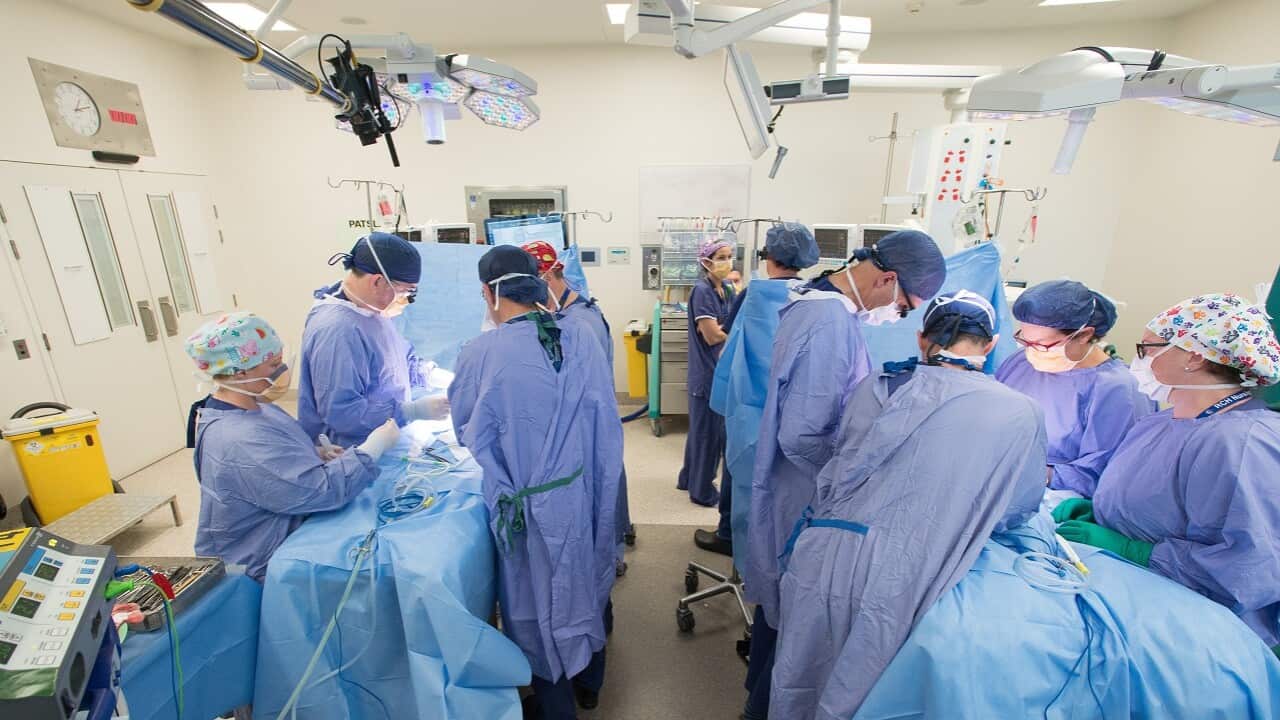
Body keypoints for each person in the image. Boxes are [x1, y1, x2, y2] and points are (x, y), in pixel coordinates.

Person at [769, 291, 1048, 719]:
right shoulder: (1020, 412)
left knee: (802, 678)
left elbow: (844, 462)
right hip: (910, 574)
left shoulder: (878, 385)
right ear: (992, 344)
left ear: (921, 338)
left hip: (826, 555)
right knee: (868, 693)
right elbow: (1016, 509)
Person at [742, 229, 945, 720]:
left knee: (780, 607)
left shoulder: (818, 305)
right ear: (888, 279)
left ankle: (755, 694)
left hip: (793, 484)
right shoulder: (829, 322)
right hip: (804, 488)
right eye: (903, 307)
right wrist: (857, 474)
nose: (896, 316)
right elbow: (803, 435)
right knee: (794, 610)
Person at [448, 246, 622, 719]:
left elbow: (466, 430)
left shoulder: (481, 352)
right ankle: (590, 680)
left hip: (529, 506)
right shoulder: (580, 334)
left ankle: (555, 706)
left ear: (489, 293)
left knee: (535, 606)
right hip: (582, 489)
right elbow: (602, 418)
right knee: (584, 582)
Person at [1055, 293, 1280, 650]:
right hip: (1131, 593)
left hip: (1197, 632)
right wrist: (1101, 515)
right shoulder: (1162, 422)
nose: (1140, 359)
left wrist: (1134, 550)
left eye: (1149, 348)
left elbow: (1249, 567)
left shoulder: (1241, 443)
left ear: (1194, 356)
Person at [185, 312, 398, 582]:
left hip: (282, 523)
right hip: (259, 562)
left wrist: (315, 453)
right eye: (273, 364)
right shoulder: (240, 439)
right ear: (241, 371)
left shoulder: (256, 407)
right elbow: (320, 491)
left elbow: (275, 459)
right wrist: (372, 448)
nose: (282, 370)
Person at [697, 222, 820, 556]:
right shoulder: (817, 297)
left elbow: (728, 345)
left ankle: (729, 535)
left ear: (769, 257)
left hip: (750, 401)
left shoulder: (754, 296)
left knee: (739, 466)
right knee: (784, 477)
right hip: (795, 404)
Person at [521, 239, 633, 576]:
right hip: (590, 419)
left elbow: (580, 384)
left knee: (600, 485)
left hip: (588, 420)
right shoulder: (567, 313)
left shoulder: (581, 322)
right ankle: (614, 541)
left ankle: (609, 555)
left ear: (548, 277)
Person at [996, 280, 1154, 497]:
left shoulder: (1119, 390)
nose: (1031, 351)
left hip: (1059, 499)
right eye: (1025, 340)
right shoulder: (1020, 362)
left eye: (1042, 344)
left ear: (1084, 335)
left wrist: (1031, 473)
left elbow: (1108, 475)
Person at [298, 232, 448, 447]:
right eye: (405, 292)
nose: (406, 300)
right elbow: (343, 414)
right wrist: (412, 411)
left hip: (386, 435)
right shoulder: (337, 331)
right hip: (355, 451)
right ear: (378, 281)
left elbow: (396, 360)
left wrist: (432, 375)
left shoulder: (369, 311)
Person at [676, 240, 737, 508]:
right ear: (706, 262)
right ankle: (701, 491)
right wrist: (729, 330)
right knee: (707, 435)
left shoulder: (726, 288)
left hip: (719, 369)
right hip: (706, 373)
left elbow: (729, 322)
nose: (727, 261)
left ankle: (688, 478)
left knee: (700, 431)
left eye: (730, 256)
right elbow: (712, 336)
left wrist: (726, 327)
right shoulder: (702, 291)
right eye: (721, 257)